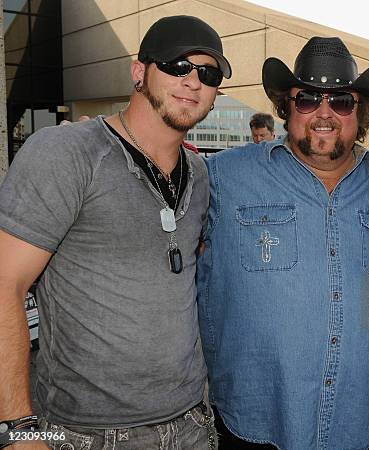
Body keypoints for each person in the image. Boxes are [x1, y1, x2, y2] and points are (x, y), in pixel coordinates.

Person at [0, 15, 231, 450]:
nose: (193, 81)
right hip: (83, 434)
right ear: (139, 72)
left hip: (191, 424)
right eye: (177, 65)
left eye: (208, 73)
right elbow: (3, 285)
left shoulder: (200, 174)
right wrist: (18, 431)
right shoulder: (67, 153)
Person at [197, 37, 369, 450]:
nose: (324, 113)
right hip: (254, 423)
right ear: (286, 107)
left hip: (356, 423)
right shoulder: (219, 177)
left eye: (342, 101)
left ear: (359, 112)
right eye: (307, 98)